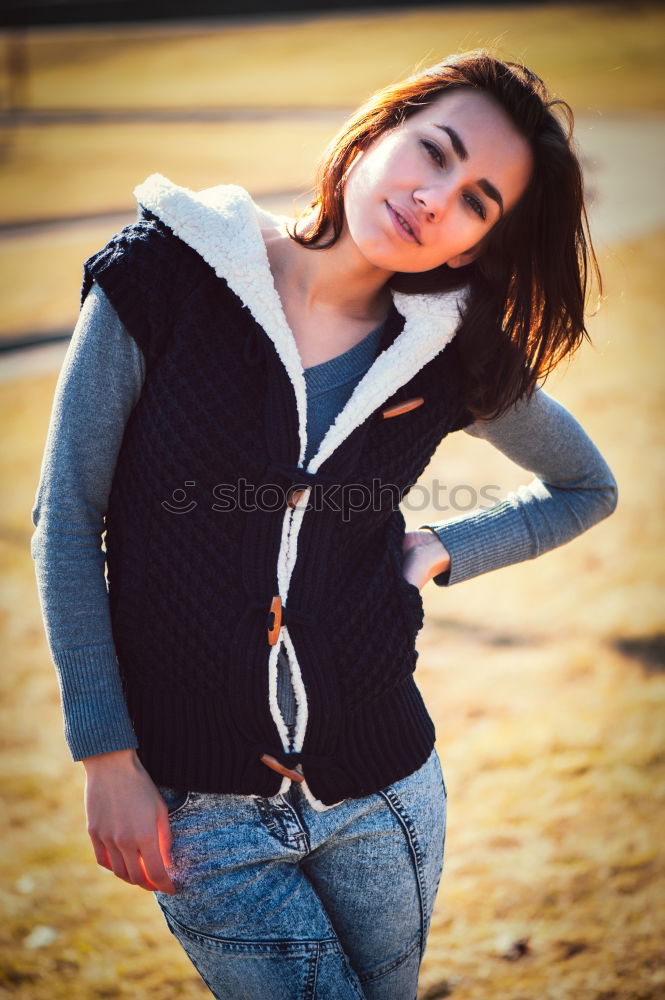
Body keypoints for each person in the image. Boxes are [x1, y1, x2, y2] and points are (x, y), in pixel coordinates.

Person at [31, 50, 618, 999]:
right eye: (432, 151)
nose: (434, 197)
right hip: (198, 805)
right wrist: (107, 758)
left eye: (475, 201)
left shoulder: (448, 354)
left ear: (472, 247)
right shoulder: (165, 276)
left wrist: (441, 549)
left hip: (387, 786)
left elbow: (585, 487)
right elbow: (66, 522)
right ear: (375, 134)